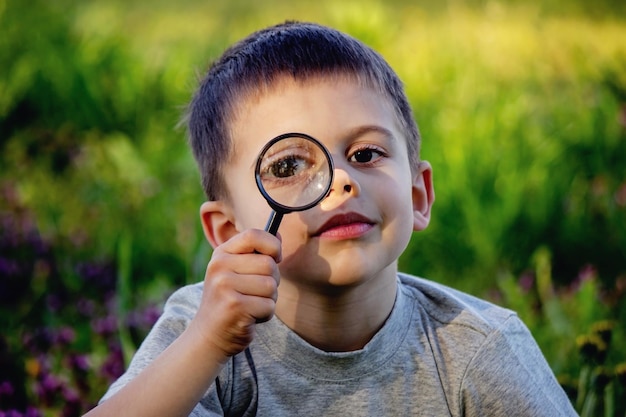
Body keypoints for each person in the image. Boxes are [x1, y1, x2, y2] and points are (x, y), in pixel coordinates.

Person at [86, 21, 576, 416]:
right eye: (288, 166)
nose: (341, 181)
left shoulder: (477, 350)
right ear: (229, 232)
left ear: (418, 194)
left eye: (365, 153)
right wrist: (209, 342)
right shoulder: (208, 336)